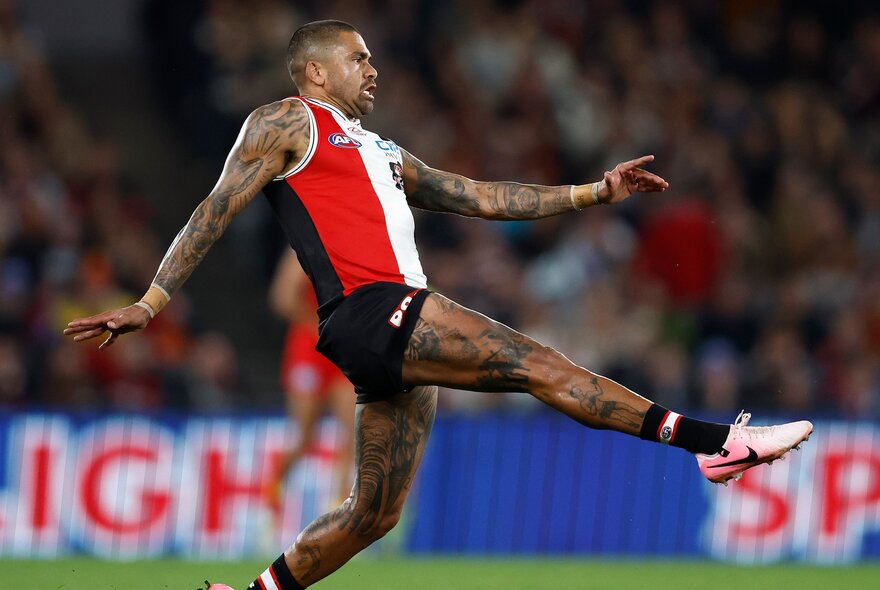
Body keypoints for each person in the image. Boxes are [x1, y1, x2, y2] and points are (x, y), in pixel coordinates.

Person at [63, 20, 813, 590]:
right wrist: (153, 300)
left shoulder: (383, 150)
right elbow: (216, 207)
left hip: (385, 330)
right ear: (315, 71)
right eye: (358, 58)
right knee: (535, 363)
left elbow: (482, 196)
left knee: (372, 514)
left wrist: (595, 191)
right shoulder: (288, 121)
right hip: (371, 308)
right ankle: (713, 443)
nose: (373, 68)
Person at [265, 249, 355, 515]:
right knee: (305, 438)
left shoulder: (354, 244)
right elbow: (282, 299)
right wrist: (324, 323)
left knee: (351, 436)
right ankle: (271, 495)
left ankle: (340, 513)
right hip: (309, 350)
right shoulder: (303, 245)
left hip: (343, 351)